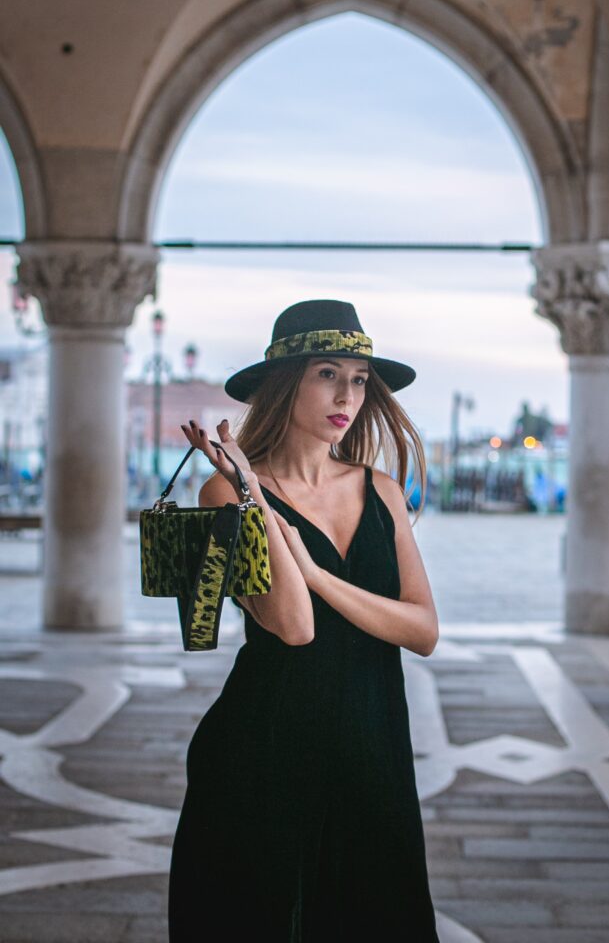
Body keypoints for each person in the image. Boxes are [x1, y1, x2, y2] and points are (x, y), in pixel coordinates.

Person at [167, 298, 441, 942]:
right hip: (266, 749)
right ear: (285, 383)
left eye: (359, 379)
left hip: (373, 747)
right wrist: (254, 494)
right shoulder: (225, 491)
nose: (347, 395)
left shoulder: (381, 490)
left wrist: (319, 577)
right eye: (326, 374)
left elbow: (424, 630)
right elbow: (294, 626)